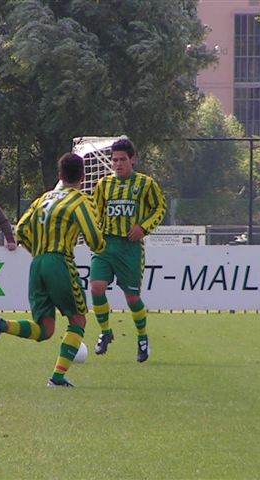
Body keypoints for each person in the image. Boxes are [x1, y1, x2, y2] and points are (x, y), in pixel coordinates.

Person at [0, 153, 106, 387]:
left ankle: (0, 324)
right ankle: (57, 378)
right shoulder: (81, 200)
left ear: (59, 175)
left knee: (45, 329)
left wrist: (38, 250)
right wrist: (100, 245)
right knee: (78, 320)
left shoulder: (43, 199)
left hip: (37, 263)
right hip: (58, 263)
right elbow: (94, 238)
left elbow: (21, 230)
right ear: (83, 176)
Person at [90, 137, 166, 362]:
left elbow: (159, 208)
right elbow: (96, 212)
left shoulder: (146, 184)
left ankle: (142, 338)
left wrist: (143, 227)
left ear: (132, 160)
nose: (118, 164)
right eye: (114, 160)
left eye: (122, 159)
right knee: (96, 288)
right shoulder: (104, 185)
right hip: (106, 245)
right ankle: (105, 332)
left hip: (130, 248)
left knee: (132, 298)